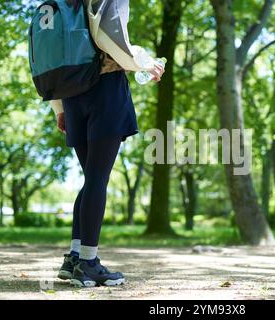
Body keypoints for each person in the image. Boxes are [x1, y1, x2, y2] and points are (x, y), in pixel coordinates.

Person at [51, 0, 165, 287]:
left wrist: (59, 108)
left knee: (92, 179)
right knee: (97, 179)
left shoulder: (63, 3)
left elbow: (53, 55)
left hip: (71, 94)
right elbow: (108, 37)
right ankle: (89, 263)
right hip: (104, 89)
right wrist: (145, 63)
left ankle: (75, 258)